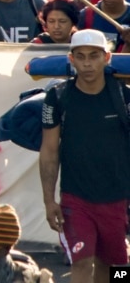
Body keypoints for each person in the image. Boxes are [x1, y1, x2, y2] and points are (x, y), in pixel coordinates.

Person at [39, 28, 130, 281]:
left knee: (117, 269)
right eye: (81, 56)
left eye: (94, 55)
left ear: (107, 58)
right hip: (75, 199)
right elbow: (49, 151)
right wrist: (49, 200)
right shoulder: (56, 98)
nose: (87, 63)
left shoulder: (125, 97)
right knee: (81, 263)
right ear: (72, 59)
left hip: (117, 199)